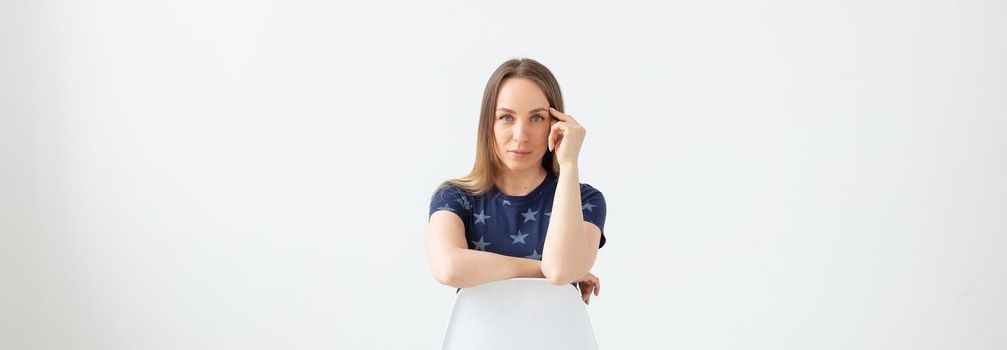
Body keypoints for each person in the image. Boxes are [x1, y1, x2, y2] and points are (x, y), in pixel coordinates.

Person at [426, 58, 606, 305]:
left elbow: (562, 270)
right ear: (488, 124)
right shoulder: (456, 197)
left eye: (536, 118)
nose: (521, 136)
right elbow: (448, 267)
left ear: (556, 125)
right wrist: (541, 269)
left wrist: (569, 164)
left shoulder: (585, 200)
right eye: (506, 117)